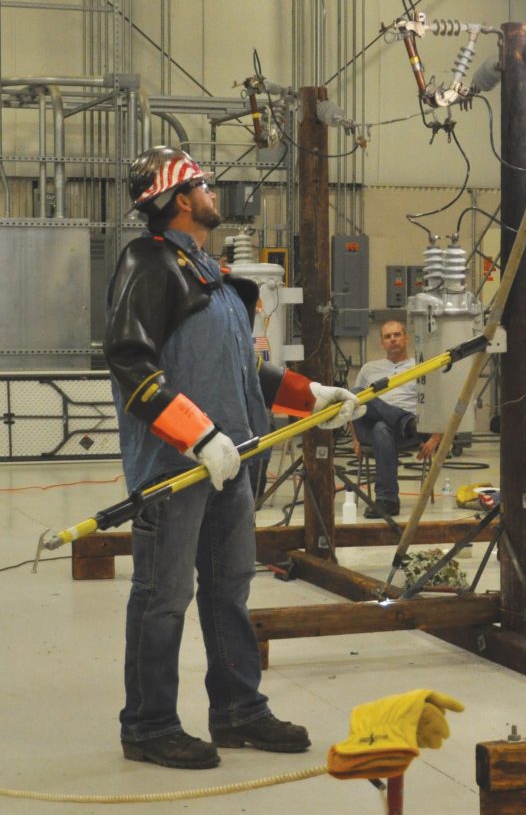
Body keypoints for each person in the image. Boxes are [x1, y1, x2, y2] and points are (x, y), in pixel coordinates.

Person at [105, 146, 363, 770]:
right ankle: (148, 723)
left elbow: (242, 368)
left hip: (232, 462)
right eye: (201, 183)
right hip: (179, 469)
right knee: (162, 597)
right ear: (177, 200)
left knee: (229, 590)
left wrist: (309, 395)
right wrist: (196, 434)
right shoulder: (150, 263)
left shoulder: (208, 275)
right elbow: (130, 360)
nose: (211, 190)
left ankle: (238, 710)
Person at [351, 320, 441, 518]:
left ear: (406, 338)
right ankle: (405, 421)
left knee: (382, 428)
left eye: (397, 335)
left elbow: (437, 402)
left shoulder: (419, 367)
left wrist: (435, 437)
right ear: (382, 342)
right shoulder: (369, 369)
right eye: (387, 336)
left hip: (405, 435)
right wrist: (355, 439)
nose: (392, 340)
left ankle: (387, 501)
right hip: (384, 426)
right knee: (357, 392)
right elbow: (352, 404)